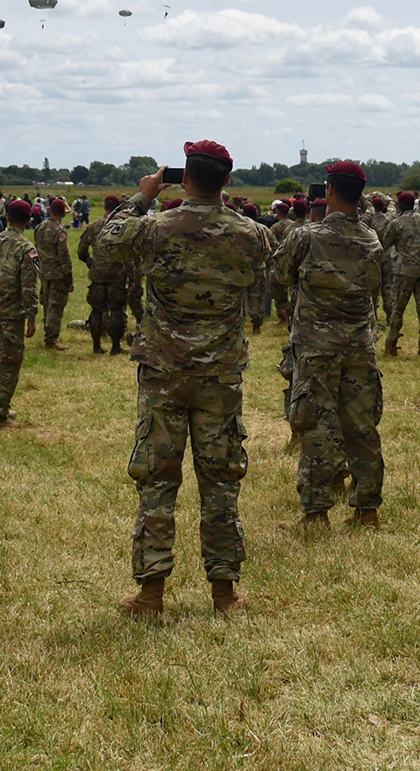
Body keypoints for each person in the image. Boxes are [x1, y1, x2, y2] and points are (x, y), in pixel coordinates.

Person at [96, 141, 270, 619]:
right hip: (219, 377)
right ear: (227, 182)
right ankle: (225, 594)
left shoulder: (154, 227)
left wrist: (142, 196)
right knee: (220, 483)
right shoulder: (251, 234)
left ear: (184, 178)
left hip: (164, 375)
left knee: (156, 482)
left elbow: (106, 243)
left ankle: (151, 595)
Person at [270, 161, 385, 531]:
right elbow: (372, 288)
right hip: (358, 345)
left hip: (316, 346)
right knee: (362, 427)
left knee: (315, 425)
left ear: (329, 191)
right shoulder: (372, 239)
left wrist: (287, 303)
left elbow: (279, 274)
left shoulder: (308, 236)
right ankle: (367, 510)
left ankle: (316, 513)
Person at [0, 200, 40, 426]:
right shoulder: (26, 248)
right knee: (8, 364)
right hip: (10, 315)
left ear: (8, 217)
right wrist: (32, 316)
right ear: (29, 219)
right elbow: (29, 286)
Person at [382, 192, 420, 361]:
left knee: (398, 308)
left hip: (403, 271)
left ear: (400, 205)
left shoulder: (396, 223)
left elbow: (386, 243)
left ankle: (391, 343)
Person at [79, 197, 136, 355]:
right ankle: (115, 346)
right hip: (116, 275)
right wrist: (132, 278)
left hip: (98, 275)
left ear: (104, 207)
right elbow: (128, 256)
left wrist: (90, 262)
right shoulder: (122, 227)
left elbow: (81, 251)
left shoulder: (93, 226)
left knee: (96, 310)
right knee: (116, 310)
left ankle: (96, 345)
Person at [34, 196, 74, 351]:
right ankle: (51, 339)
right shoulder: (59, 231)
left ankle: (48, 333)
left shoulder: (40, 227)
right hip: (57, 274)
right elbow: (64, 257)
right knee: (55, 307)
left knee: (46, 304)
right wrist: (69, 278)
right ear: (63, 212)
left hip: (44, 272)